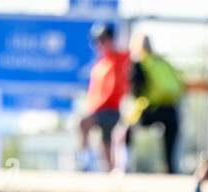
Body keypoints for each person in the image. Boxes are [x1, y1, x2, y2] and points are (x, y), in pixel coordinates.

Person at [124, 34, 184, 174]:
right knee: (169, 151)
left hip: (151, 109)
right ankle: (171, 173)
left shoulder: (140, 63)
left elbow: (136, 92)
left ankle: (125, 167)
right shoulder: (163, 62)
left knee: (122, 132)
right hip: (171, 110)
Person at [77, 23, 130, 172]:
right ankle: (109, 175)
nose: (100, 44)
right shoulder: (100, 64)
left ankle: (85, 161)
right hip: (99, 109)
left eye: (104, 40)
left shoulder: (119, 59)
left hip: (111, 109)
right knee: (105, 145)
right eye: (97, 41)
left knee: (83, 123)